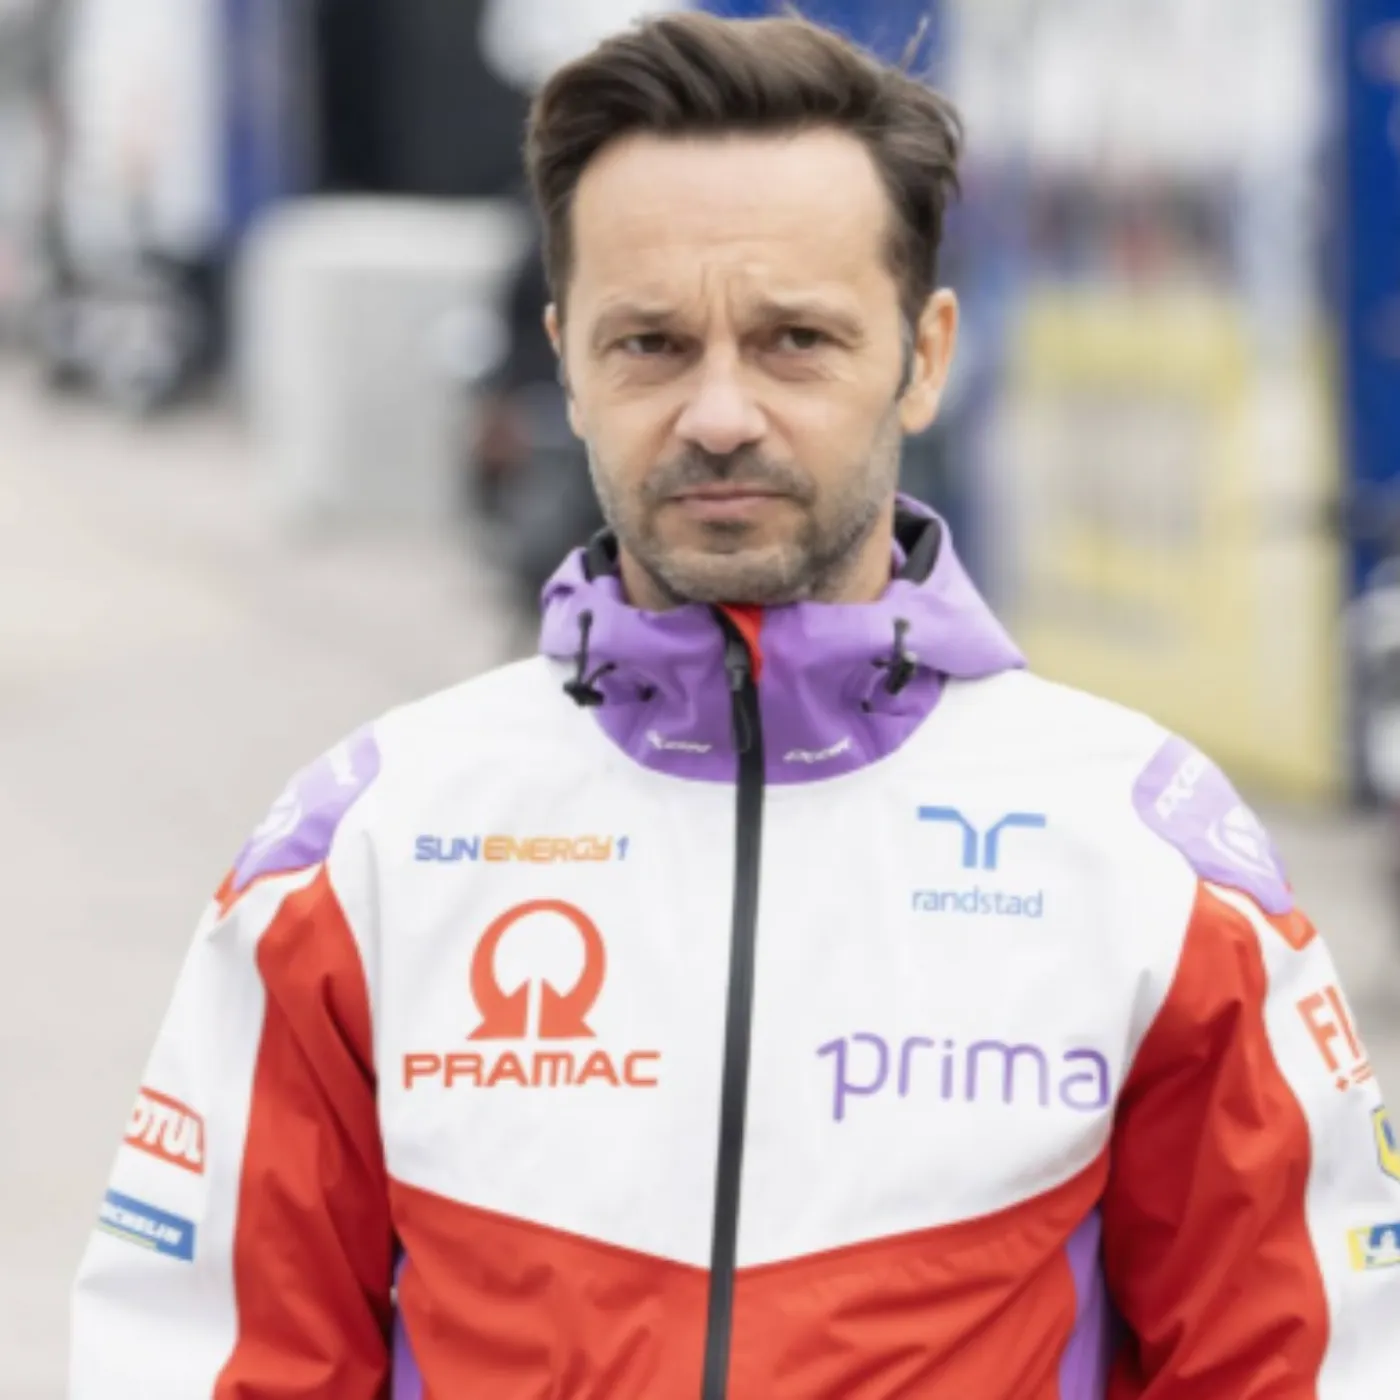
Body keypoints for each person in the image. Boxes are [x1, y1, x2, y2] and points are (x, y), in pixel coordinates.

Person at [70, 13, 1400, 1399]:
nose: (718, 413)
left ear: (925, 355)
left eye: (794, 340)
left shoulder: (1141, 859)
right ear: (565, 362)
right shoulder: (368, 851)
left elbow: (1300, 1365)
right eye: (650, 343)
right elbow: (202, 1358)